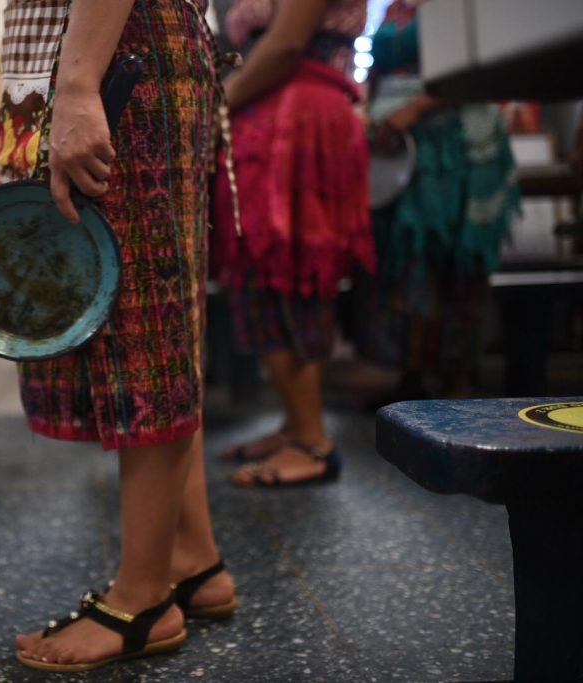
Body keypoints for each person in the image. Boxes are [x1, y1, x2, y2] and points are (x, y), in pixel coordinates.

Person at [0, 0, 236, 671]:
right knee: (156, 316)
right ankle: (192, 559)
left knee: (142, 331)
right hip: (105, 50)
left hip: (112, 53)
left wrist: (76, 85)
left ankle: (143, 599)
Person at [211, 0, 374, 487]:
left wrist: (217, 104)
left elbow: (285, 44)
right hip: (266, 112)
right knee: (260, 276)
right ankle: (293, 426)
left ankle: (312, 441)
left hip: (299, 114)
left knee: (294, 274)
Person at [355, 0, 520, 403]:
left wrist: (413, 109)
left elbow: (486, 70)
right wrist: (370, 114)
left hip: (456, 143)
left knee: (452, 259)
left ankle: (456, 377)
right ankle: (413, 372)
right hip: (399, 143)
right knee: (406, 258)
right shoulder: (395, 8)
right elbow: (378, 72)